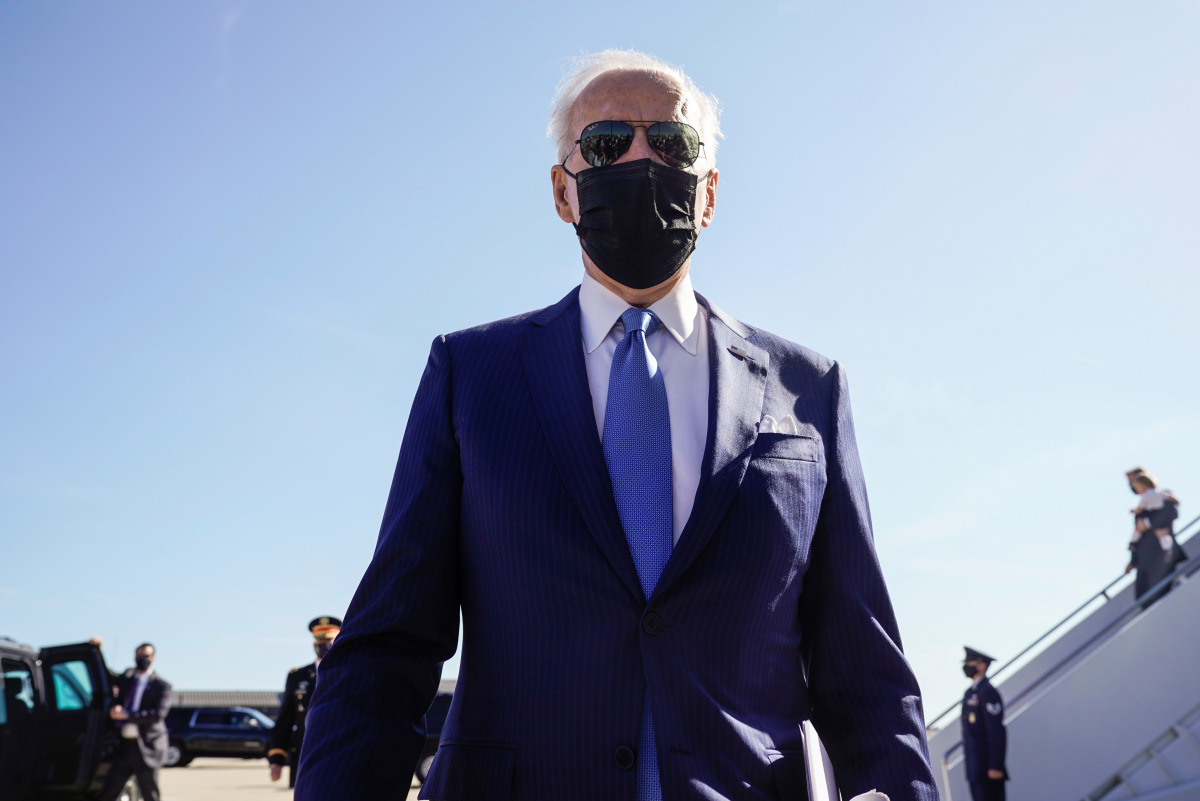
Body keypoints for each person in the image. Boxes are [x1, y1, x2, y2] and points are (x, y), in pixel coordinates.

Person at [297, 50, 937, 801]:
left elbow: (863, 666)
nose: (640, 160)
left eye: (672, 143)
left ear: (709, 193)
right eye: (605, 144)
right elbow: (389, 645)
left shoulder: (809, 389)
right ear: (563, 192)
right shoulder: (469, 374)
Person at [268, 616, 341, 788]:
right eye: (319, 639)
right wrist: (277, 758)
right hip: (304, 754)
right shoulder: (297, 676)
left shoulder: (350, 672)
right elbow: (286, 718)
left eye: (328, 639)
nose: (323, 644)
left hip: (339, 752)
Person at [97, 643, 173, 801]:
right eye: (138, 656)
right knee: (109, 791)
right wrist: (97, 651)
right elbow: (106, 676)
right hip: (125, 747)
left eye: (145, 656)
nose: (141, 659)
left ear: (153, 658)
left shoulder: (162, 686)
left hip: (147, 748)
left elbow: (157, 715)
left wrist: (125, 715)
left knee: (149, 794)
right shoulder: (126, 680)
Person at [1124, 468, 1185, 601]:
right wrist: (1133, 560)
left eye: (1134, 481)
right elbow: (1138, 533)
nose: (1132, 485)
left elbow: (1170, 514)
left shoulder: (1162, 496)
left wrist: (1149, 524)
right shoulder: (1141, 507)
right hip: (1144, 561)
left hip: (1162, 556)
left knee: (1162, 594)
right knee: (1143, 598)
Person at [960, 647, 1007, 801]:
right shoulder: (970, 693)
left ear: (982, 665)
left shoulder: (988, 692)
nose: (967, 666)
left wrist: (996, 765)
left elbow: (996, 731)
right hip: (975, 767)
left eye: (970, 662)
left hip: (988, 768)